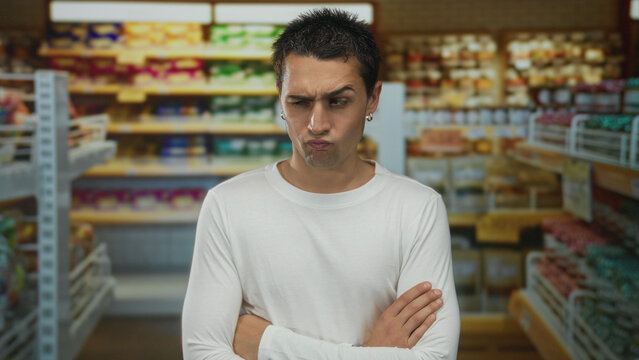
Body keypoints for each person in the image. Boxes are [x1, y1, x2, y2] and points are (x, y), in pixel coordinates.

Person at [182, 8, 460, 360]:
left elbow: (435, 357)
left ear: (372, 99)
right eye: (299, 102)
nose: (316, 123)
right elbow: (202, 353)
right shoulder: (228, 205)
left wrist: (268, 345)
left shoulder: (417, 208)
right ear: (280, 99)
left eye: (338, 101)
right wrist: (374, 353)